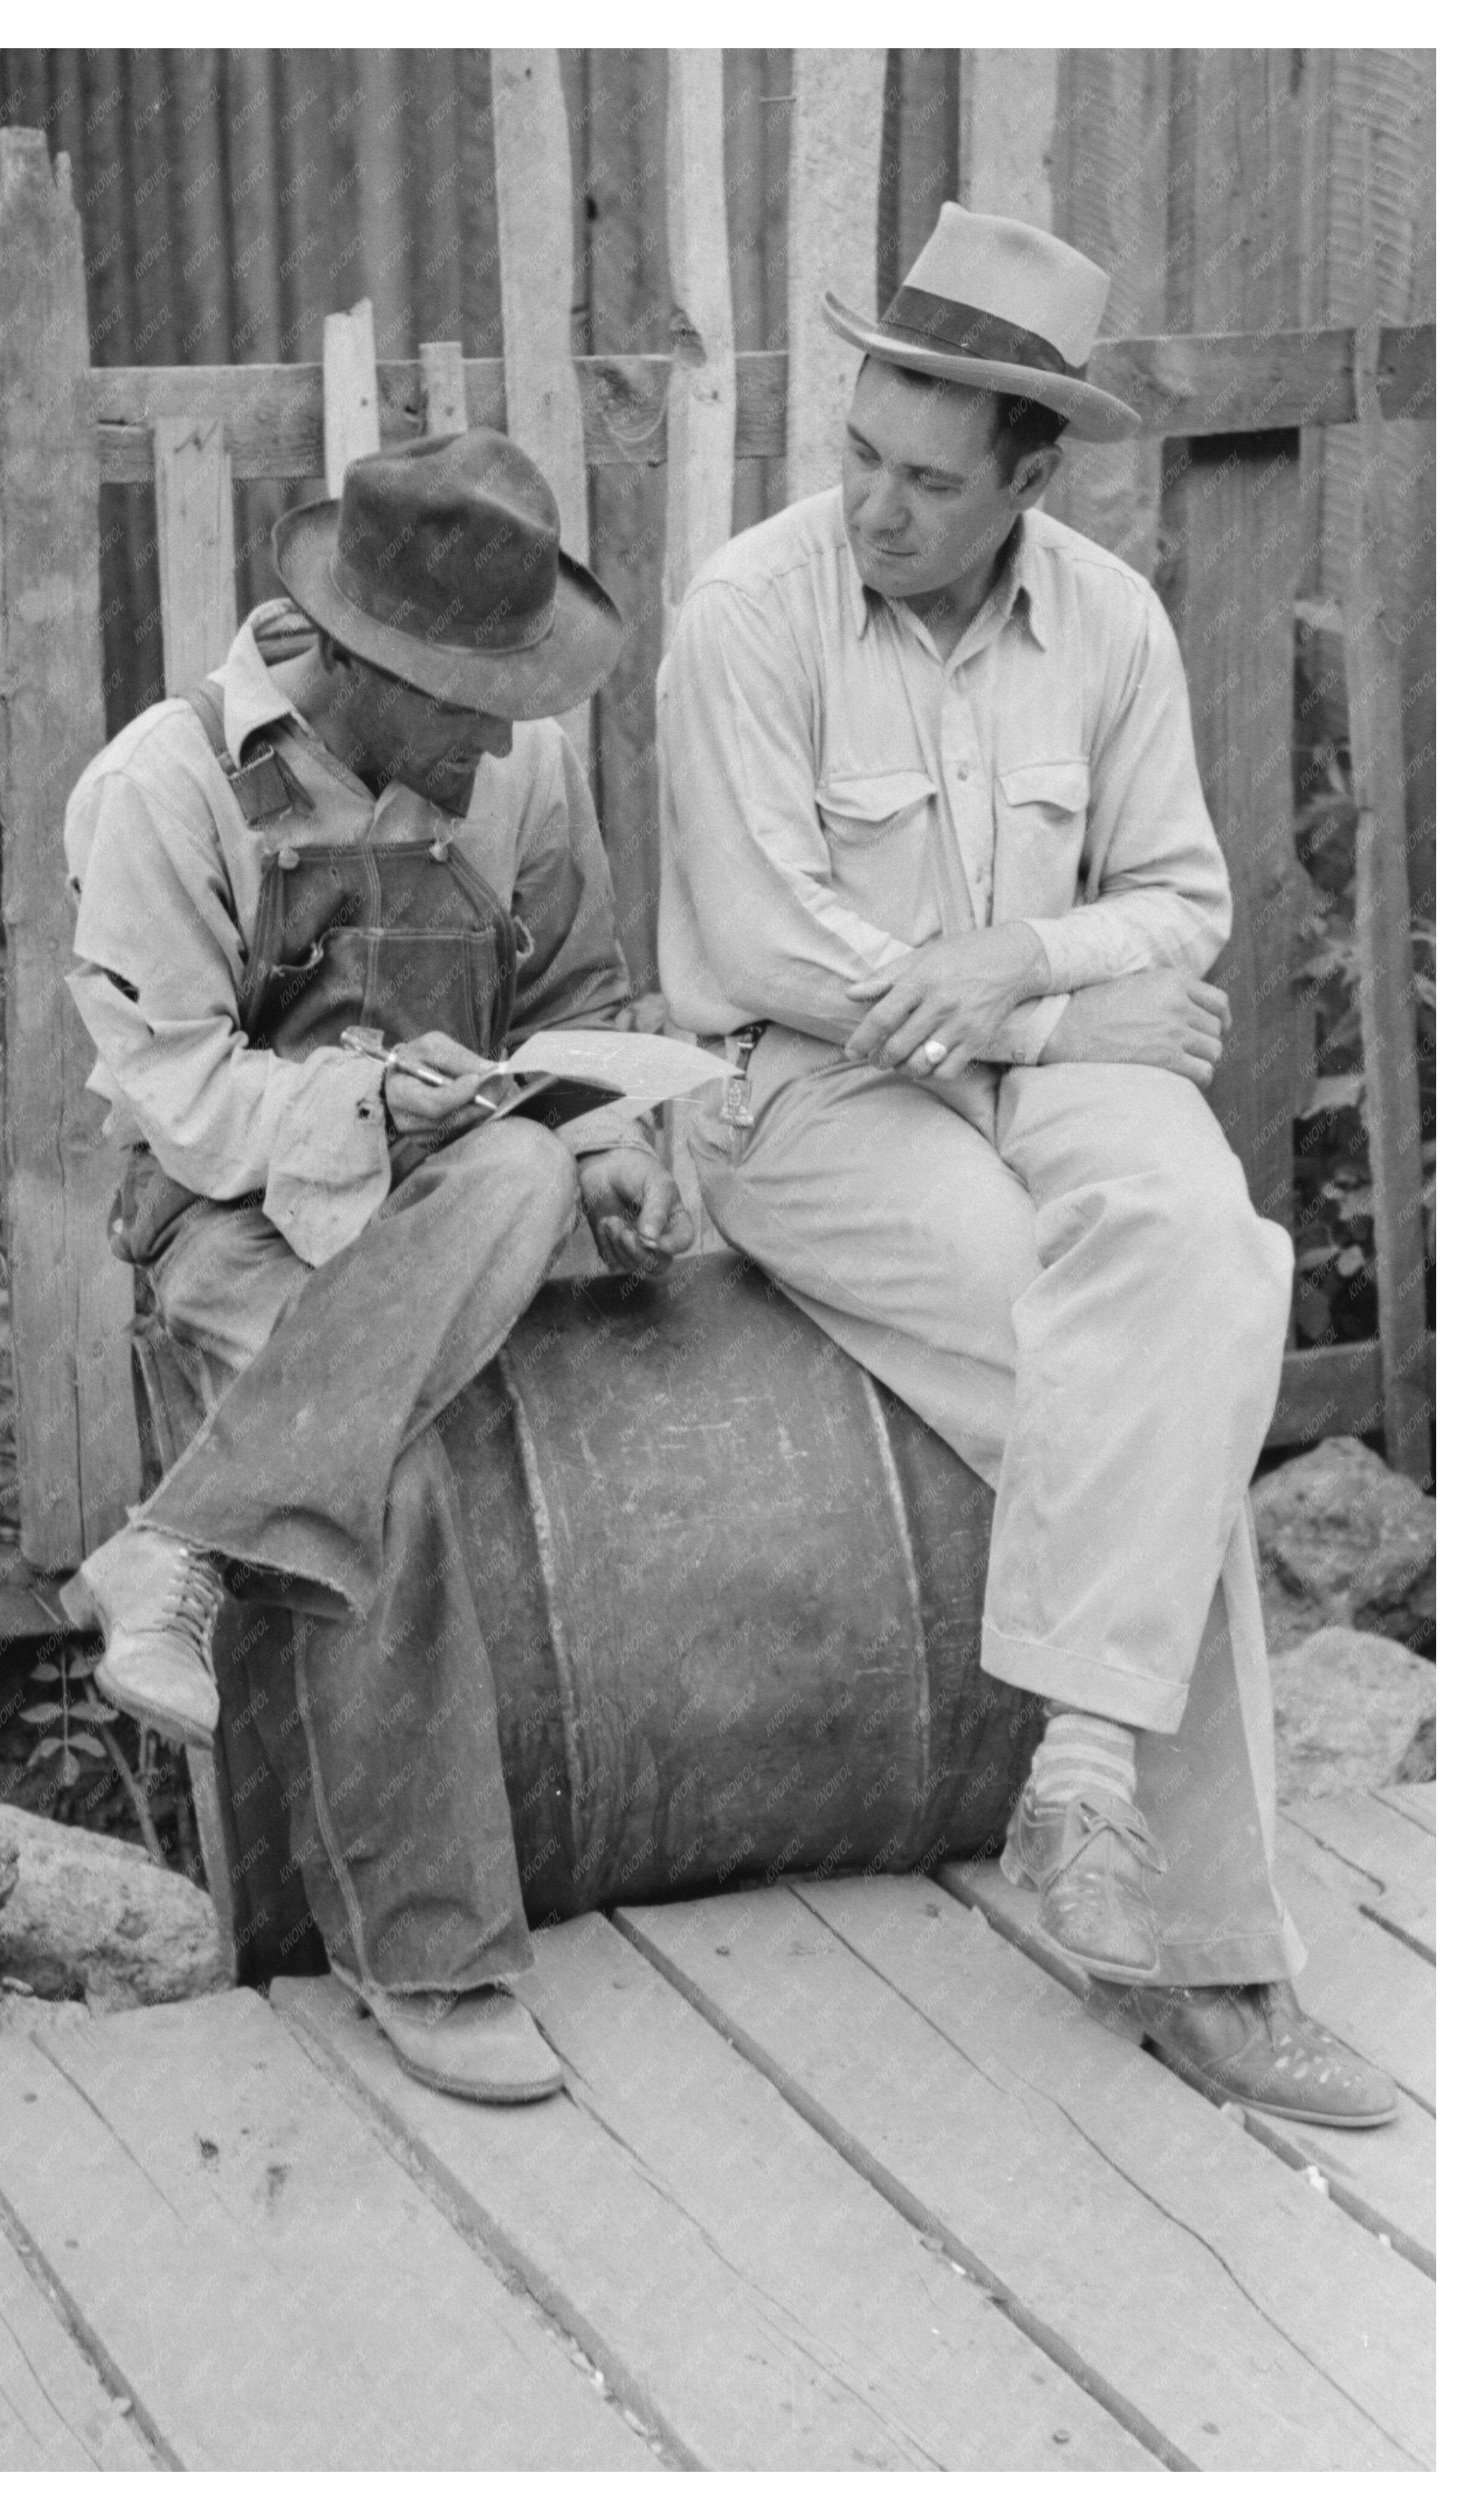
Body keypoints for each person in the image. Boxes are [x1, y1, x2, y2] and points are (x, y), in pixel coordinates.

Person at [656, 203, 1395, 2129]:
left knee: (1204, 1256)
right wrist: (1046, 1012)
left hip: (1035, 1046)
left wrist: (1028, 960)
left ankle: (1077, 1771)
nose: (874, 507)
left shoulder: (1109, 622)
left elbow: (1177, 902)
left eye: (926, 481)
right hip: (810, 1093)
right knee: (1131, 1376)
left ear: (1026, 483)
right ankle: (1216, 1971)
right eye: (858, 457)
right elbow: (768, 946)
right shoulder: (747, 613)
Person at [60, 429, 693, 2105]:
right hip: (234, 1224)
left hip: (457, 1211)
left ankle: (179, 1538)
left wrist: (613, 1146)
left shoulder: (524, 777)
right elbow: (178, 1091)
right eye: (469, 701)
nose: (500, 733)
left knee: (521, 1162)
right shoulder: (168, 787)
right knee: (378, 1478)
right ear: (357, 659)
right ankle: (430, 1956)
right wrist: (362, 1101)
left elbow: (577, 1004)